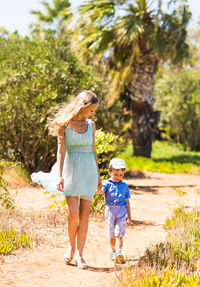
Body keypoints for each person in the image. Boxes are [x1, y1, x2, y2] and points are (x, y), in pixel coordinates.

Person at [31, 90, 102, 269]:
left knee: (85, 214)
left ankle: (79, 253)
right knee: (73, 213)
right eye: (91, 110)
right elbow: (61, 151)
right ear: (83, 106)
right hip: (70, 170)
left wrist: (99, 176)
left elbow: (93, 150)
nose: (93, 113)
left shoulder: (91, 125)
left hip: (88, 172)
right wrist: (60, 175)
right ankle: (71, 246)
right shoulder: (64, 125)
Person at [97, 158, 131, 264]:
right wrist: (98, 189)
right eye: (116, 174)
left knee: (119, 234)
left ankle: (119, 252)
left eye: (121, 175)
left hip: (121, 211)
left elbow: (127, 201)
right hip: (110, 211)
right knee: (111, 234)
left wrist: (129, 215)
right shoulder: (106, 183)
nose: (118, 177)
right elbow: (101, 192)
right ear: (109, 172)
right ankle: (113, 251)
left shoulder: (124, 186)